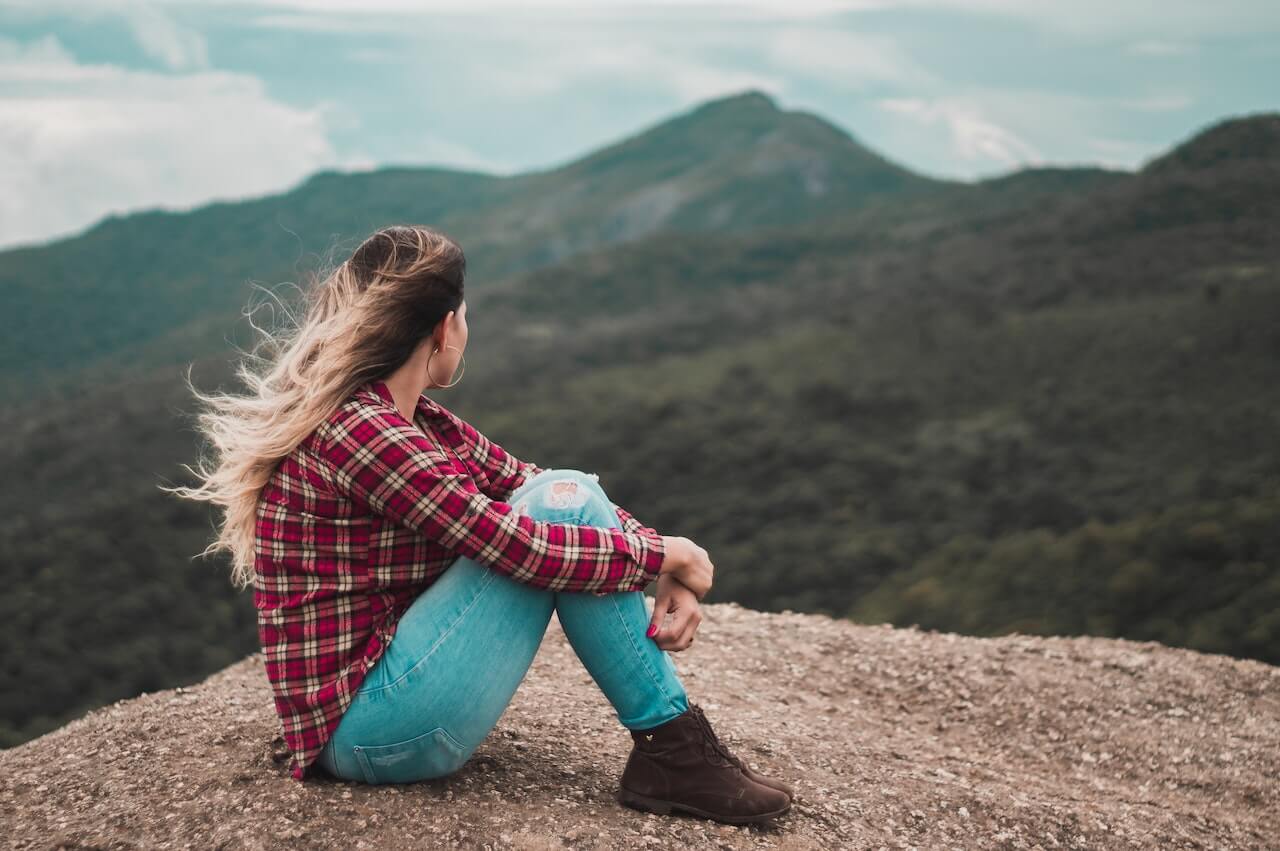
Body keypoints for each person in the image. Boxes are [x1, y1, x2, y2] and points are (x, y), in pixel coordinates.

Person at [169, 224, 793, 825]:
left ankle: (675, 752)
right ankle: (675, 752)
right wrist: (664, 557)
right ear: (445, 327)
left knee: (560, 490)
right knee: (553, 513)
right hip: (369, 730)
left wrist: (662, 558)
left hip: (388, 702)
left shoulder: (412, 421)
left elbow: (539, 483)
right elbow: (517, 545)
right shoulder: (365, 432)